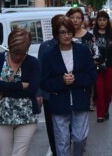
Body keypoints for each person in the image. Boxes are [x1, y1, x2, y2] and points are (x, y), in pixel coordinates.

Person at [41, 17, 97, 156]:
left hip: (80, 100)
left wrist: (76, 79)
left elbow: (92, 75)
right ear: (56, 34)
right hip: (59, 103)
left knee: (79, 138)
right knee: (62, 142)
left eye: (69, 32)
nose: (66, 36)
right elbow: (44, 81)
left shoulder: (83, 51)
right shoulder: (49, 55)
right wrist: (62, 81)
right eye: (62, 32)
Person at [0, 28, 40, 156]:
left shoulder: (33, 63)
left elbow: (32, 90)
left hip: (27, 118)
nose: (17, 57)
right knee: (4, 154)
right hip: (1, 118)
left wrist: (4, 86)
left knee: (19, 154)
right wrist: (21, 85)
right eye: (14, 52)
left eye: (21, 53)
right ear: (9, 46)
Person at [38, 14, 66, 156]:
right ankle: (55, 151)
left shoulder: (71, 45)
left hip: (66, 93)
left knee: (67, 128)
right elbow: (41, 71)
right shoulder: (45, 46)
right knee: (51, 127)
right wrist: (40, 94)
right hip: (50, 94)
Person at [66, 8, 100, 111]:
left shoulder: (89, 37)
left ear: (82, 20)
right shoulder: (64, 36)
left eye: (78, 18)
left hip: (83, 78)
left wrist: (87, 63)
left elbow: (98, 55)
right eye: (72, 17)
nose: (75, 20)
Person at [93, 11, 112, 123]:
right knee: (99, 91)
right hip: (97, 68)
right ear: (97, 21)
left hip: (110, 67)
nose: (102, 22)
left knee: (108, 91)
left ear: (107, 21)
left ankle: (106, 110)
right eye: (100, 20)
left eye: (104, 20)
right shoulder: (93, 34)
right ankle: (100, 114)